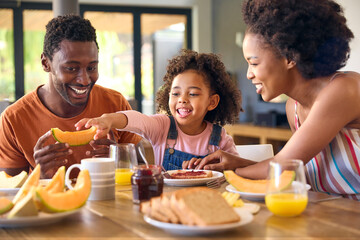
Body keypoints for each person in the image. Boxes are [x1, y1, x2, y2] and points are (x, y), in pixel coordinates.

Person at [186, 0, 360, 200]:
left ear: (289, 57)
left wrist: (220, 174)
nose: (249, 74)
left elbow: (283, 166)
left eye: (254, 63)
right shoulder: (292, 107)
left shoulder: (344, 89)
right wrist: (234, 163)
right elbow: (290, 170)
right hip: (330, 214)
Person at [0, 15, 142, 179]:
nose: (84, 80)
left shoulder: (115, 103)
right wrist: (40, 176)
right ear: (46, 63)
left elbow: (143, 170)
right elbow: (7, 193)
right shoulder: (13, 119)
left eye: (91, 67)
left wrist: (120, 159)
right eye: (71, 68)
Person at [75, 49, 243, 170]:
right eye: (176, 93)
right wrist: (108, 119)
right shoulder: (162, 127)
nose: (182, 99)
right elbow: (137, 119)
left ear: (212, 102)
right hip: (168, 204)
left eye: (192, 94)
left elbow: (237, 171)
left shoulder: (219, 138)